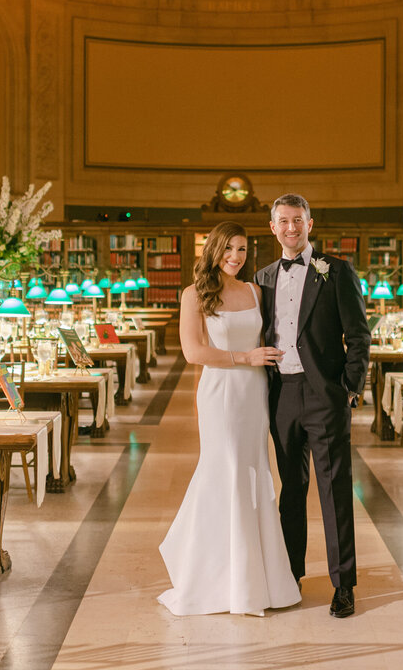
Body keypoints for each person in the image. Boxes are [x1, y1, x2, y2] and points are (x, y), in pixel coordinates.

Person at [158, 220, 301, 616]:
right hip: (220, 392)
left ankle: (256, 578)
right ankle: (214, 577)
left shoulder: (256, 290)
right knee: (225, 471)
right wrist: (245, 357)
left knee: (254, 472)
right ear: (214, 250)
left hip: (255, 393)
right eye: (228, 249)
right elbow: (193, 352)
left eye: (242, 249)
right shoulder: (194, 293)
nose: (235, 257)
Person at [255, 193, 370, 618]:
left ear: (310, 223)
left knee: (334, 490)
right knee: (291, 491)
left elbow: (359, 335)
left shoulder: (336, 271)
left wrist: (349, 388)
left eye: (297, 220)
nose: (291, 228)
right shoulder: (263, 277)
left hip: (325, 395)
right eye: (283, 221)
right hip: (281, 396)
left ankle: (344, 585)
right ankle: (291, 575)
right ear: (273, 227)